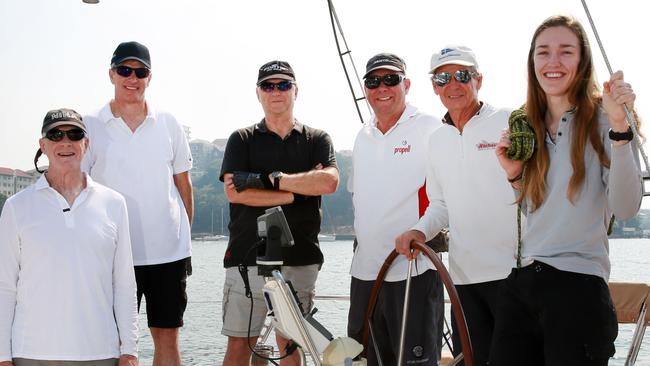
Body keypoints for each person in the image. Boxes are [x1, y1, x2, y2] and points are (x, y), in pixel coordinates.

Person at [490, 15, 642, 366]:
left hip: (579, 290)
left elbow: (627, 205)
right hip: (523, 284)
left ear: (582, 61)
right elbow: (540, 212)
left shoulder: (607, 119)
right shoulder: (528, 126)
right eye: (543, 52)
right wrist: (515, 178)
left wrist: (621, 127)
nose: (553, 62)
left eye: (565, 52)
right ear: (532, 62)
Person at [394, 45, 519, 365]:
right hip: (463, 280)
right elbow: (440, 204)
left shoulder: (509, 121)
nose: (453, 84)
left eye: (462, 75)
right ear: (434, 87)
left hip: (515, 274)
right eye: (443, 77)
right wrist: (419, 230)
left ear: (479, 79)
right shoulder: (436, 140)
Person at [219, 60, 339, 365]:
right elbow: (234, 191)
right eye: (268, 86)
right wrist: (293, 191)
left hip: (301, 258)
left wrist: (271, 180)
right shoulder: (241, 139)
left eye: (283, 85)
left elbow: (328, 182)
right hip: (247, 260)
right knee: (239, 345)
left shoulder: (317, 139)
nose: (276, 92)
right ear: (258, 93)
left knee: (291, 343)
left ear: (296, 90)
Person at [82, 41, 194, 366]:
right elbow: (79, 188)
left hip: (167, 255)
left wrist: (183, 239)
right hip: (111, 255)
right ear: (111, 74)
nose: (132, 78)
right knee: (114, 344)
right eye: (125, 70)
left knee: (168, 338)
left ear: (149, 77)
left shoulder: (170, 124)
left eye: (140, 71)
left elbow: (183, 187)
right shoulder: (89, 126)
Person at [0, 109, 138, 366]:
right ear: (43, 145)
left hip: (101, 352)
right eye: (56, 134)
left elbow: (124, 283)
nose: (65, 142)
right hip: (31, 353)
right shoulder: (16, 207)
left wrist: (129, 349)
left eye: (74, 134)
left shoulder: (114, 204)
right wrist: (2, 356)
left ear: (85, 144)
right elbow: (4, 286)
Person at [347, 53, 445, 366]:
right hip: (364, 274)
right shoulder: (362, 136)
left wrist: (422, 231)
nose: (382, 87)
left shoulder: (430, 127)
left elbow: (444, 198)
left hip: (412, 271)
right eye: (373, 81)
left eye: (391, 79)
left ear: (407, 84)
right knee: (365, 361)